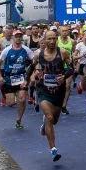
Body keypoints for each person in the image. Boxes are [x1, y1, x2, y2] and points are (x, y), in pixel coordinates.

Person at [31, 31, 73, 162]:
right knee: (49, 117)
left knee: (54, 120)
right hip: (43, 90)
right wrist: (31, 78)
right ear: (45, 40)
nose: (52, 41)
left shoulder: (63, 53)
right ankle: (53, 150)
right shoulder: (38, 54)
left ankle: (45, 124)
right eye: (49, 39)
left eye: (54, 39)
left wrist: (64, 76)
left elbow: (71, 69)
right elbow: (31, 68)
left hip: (58, 91)